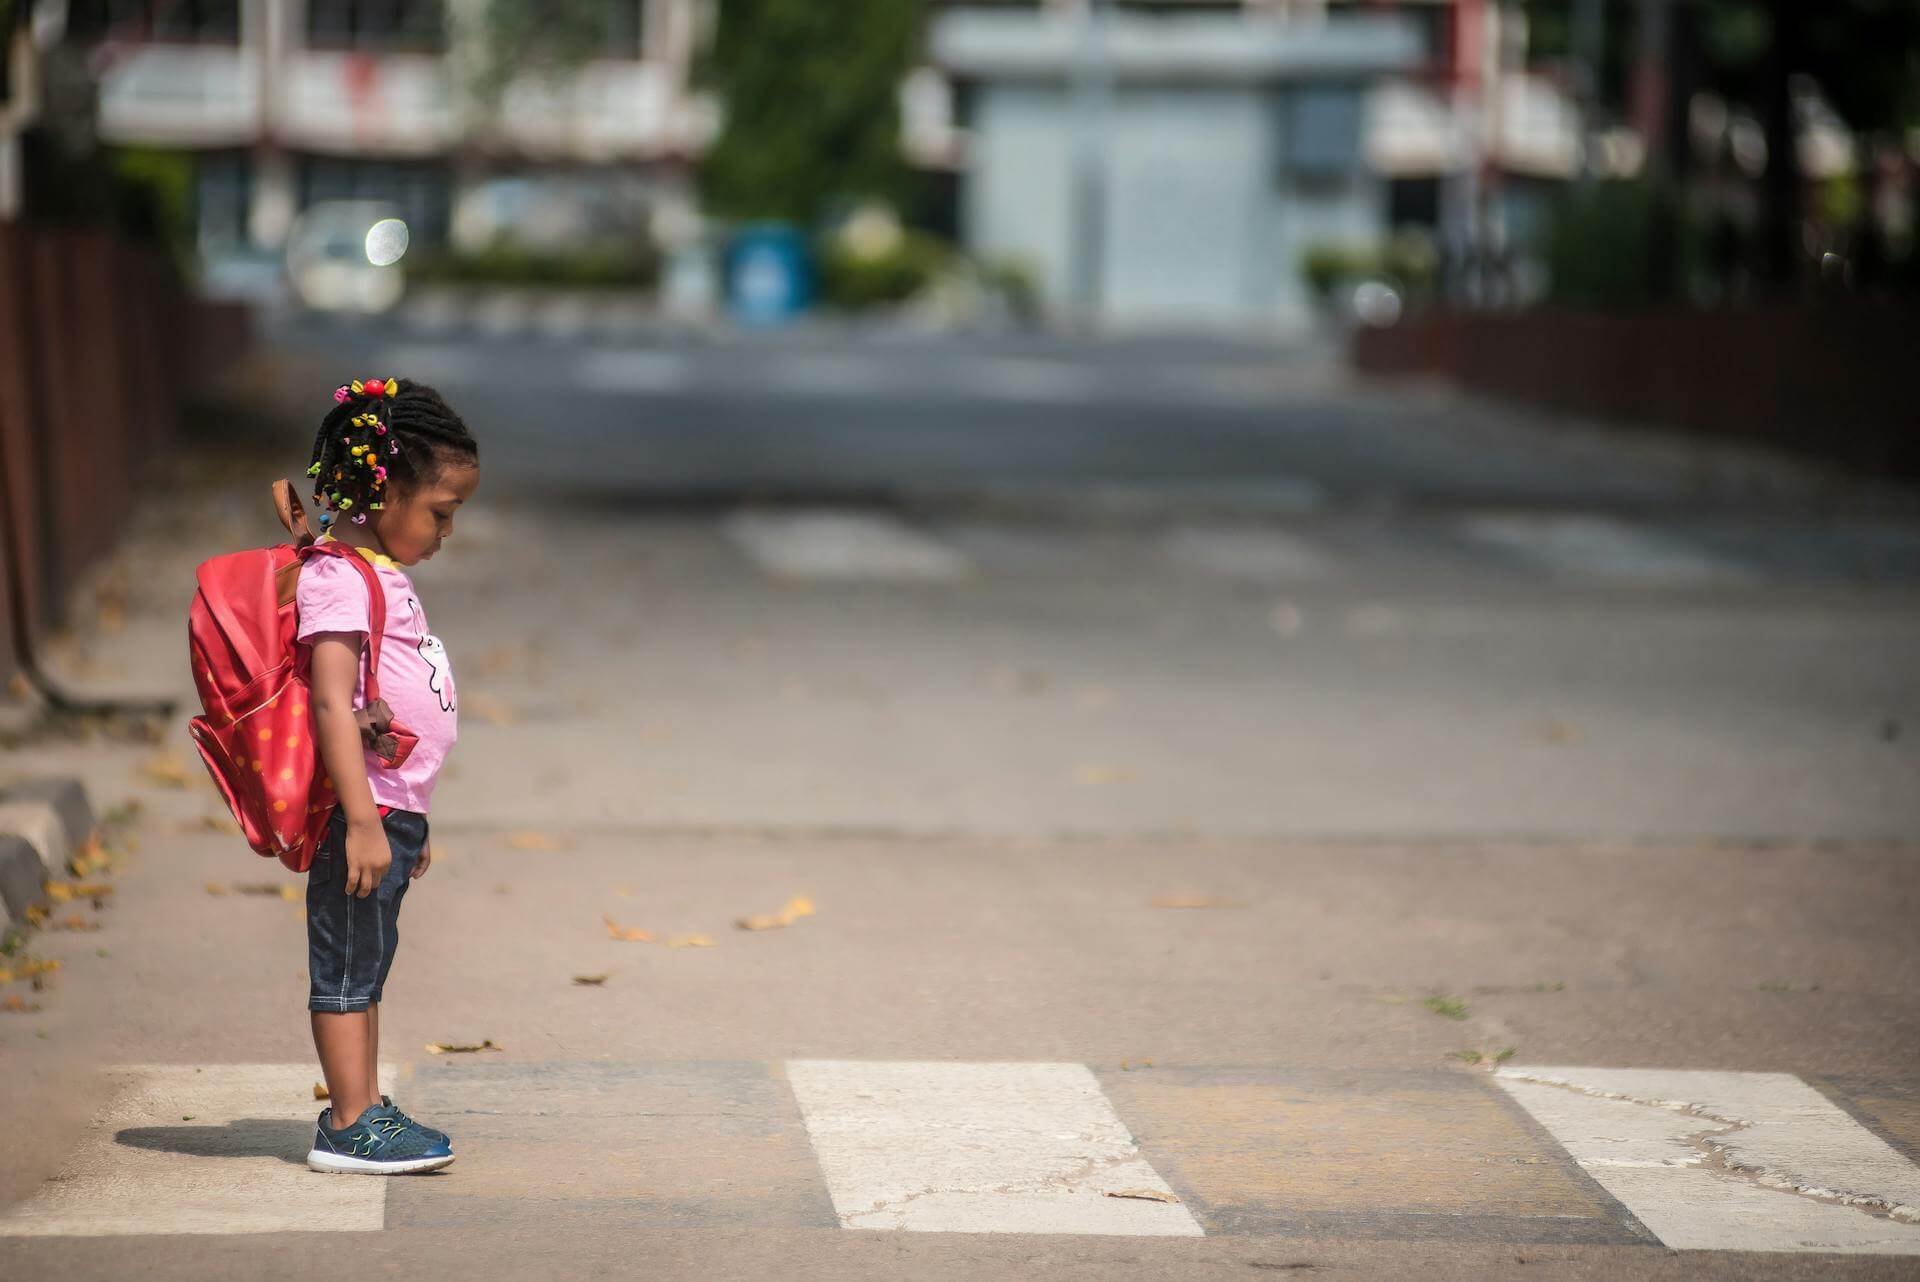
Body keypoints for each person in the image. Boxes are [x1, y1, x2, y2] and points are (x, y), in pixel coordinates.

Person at [296, 377, 479, 1174]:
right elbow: (331, 703)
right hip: (359, 815)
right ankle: (347, 1123)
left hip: (388, 811)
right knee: (344, 970)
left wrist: (409, 819)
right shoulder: (339, 578)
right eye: (440, 511)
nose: (446, 531)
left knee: (366, 966)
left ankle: (365, 1104)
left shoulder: (373, 574)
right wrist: (366, 821)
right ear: (383, 493)